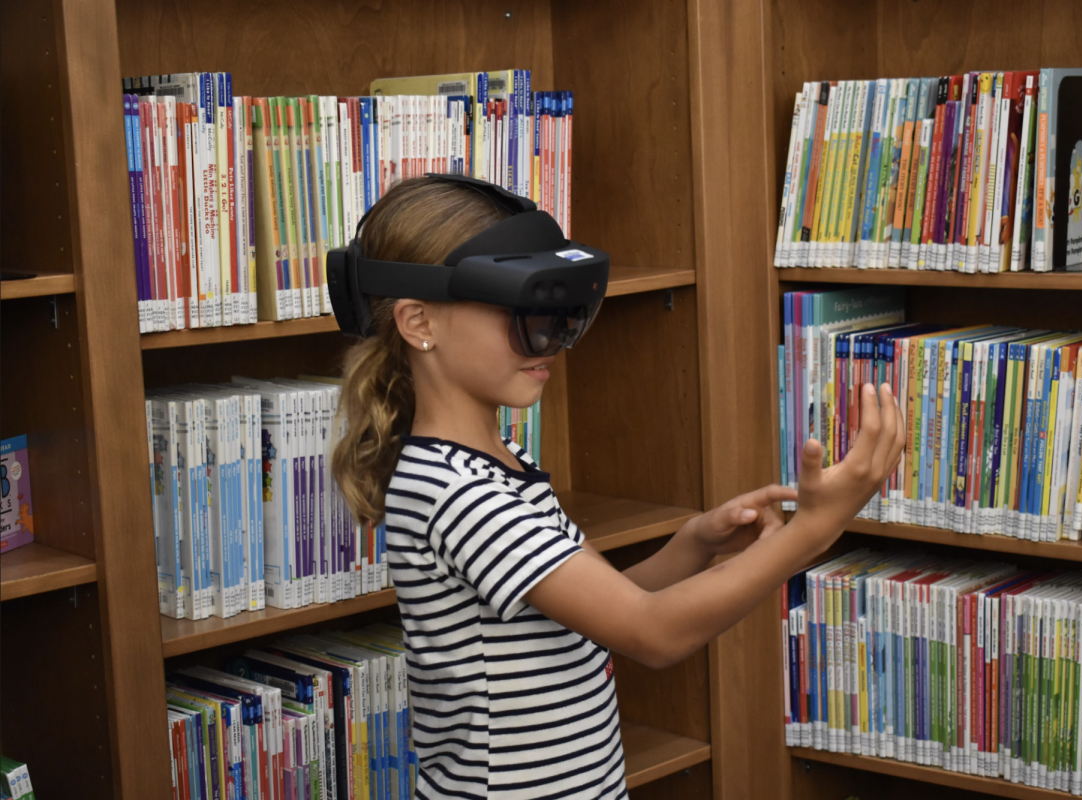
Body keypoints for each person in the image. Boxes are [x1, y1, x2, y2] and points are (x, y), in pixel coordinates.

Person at [332, 176, 906, 800]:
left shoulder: (499, 461)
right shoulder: (458, 492)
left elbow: (589, 615)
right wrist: (813, 532)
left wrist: (693, 544)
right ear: (420, 322)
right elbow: (650, 633)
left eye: (557, 313)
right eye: (522, 315)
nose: (550, 338)